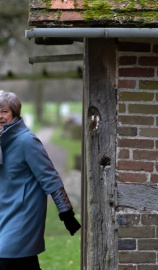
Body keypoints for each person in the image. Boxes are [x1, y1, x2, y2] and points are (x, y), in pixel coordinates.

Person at [0, 90, 81, 270]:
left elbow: (50, 178)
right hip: (4, 215)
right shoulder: (1, 141)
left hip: (21, 218)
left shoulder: (27, 142)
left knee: (9, 260)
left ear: (14, 113)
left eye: (4, 111)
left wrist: (66, 212)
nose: (0, 116)